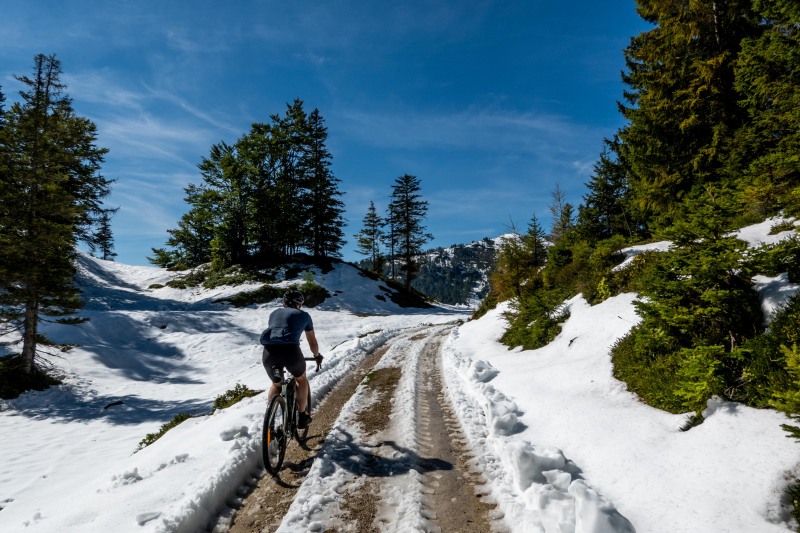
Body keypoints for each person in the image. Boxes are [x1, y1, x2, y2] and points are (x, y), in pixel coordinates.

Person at [259, 290, 322, 429]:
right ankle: (302, 416)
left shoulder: (274, 313)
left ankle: (270, 417)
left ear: (284, 303)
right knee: (301, 379)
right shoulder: (304, 315)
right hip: (290, 352)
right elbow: (312, 342)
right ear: (299, 304)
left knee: (276, 384)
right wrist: (317, 356)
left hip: (269, 353)